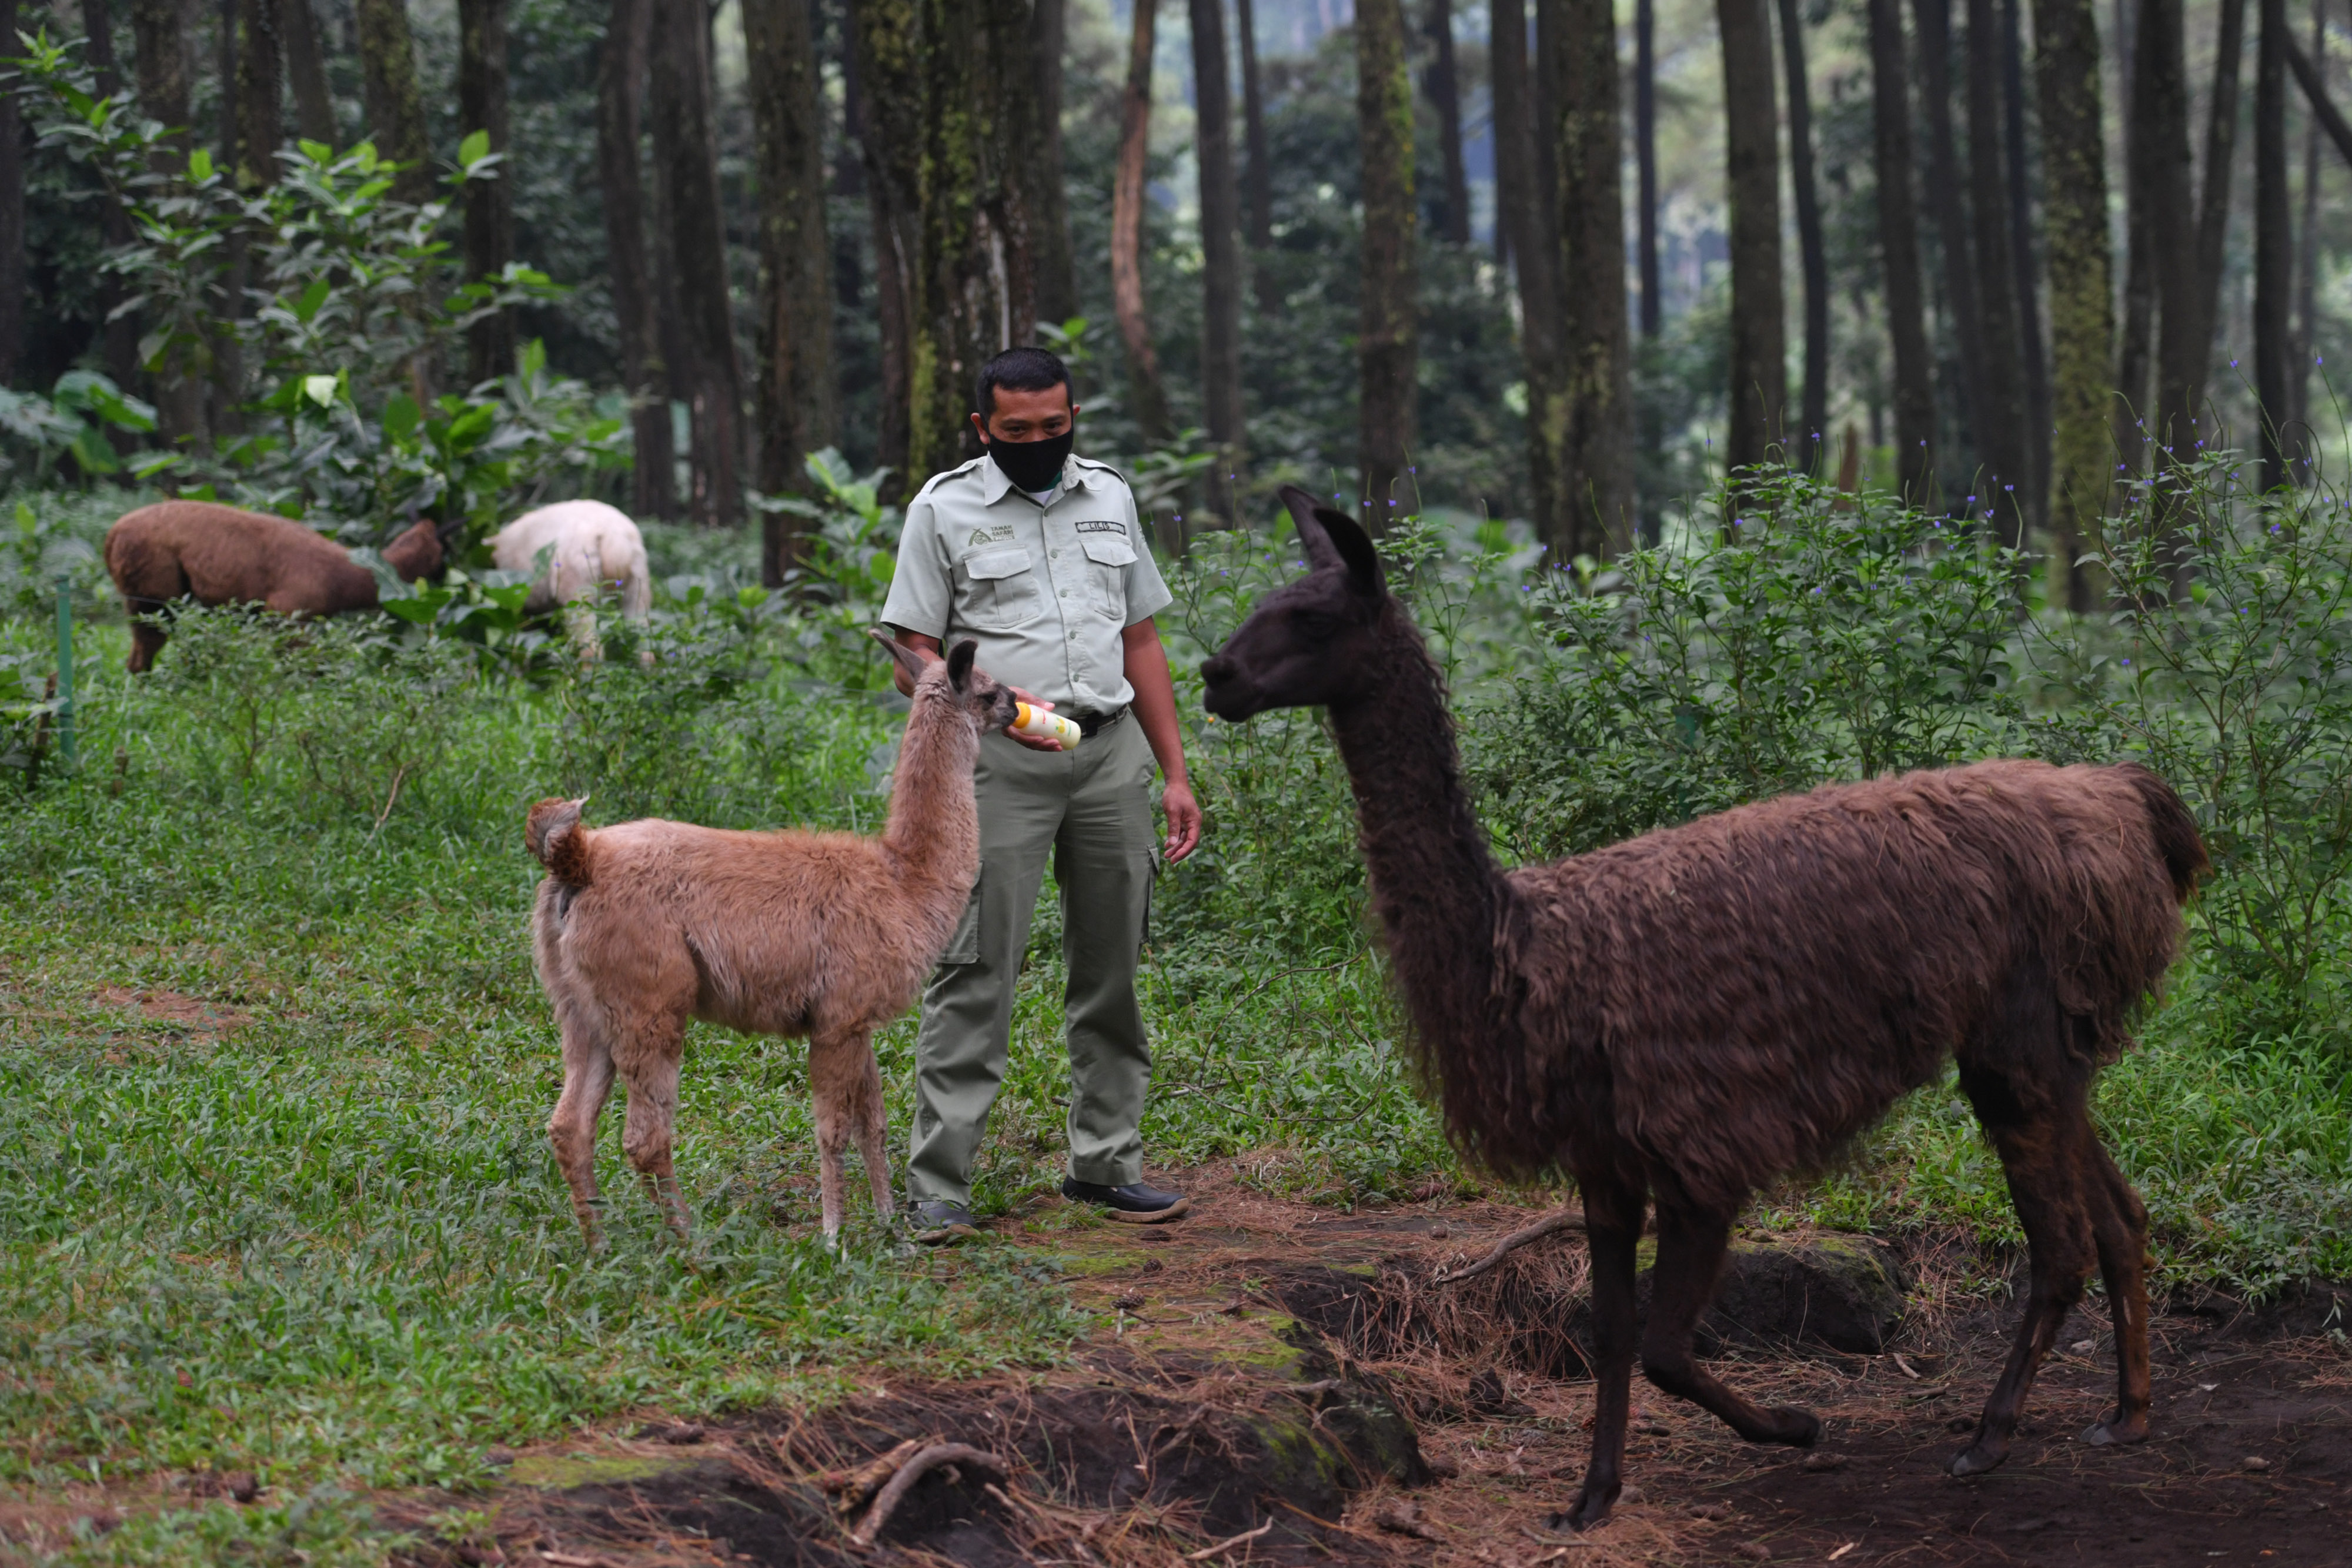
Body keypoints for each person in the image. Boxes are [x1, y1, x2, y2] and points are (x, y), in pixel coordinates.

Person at [880, 346, 1203, 1242]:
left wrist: (1173, 772)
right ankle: (939, 1187)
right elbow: (913, 654)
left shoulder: (1110, 496)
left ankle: (1106, 1165)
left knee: (1113, 974)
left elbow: (1139, 641)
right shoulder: (943, 508)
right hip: (995, 768)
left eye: (1054, 427)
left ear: (1073, 418)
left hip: (1110, 760)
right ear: (983, 428)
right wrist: (999, 711)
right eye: (1017, 431)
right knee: (976, 971)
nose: (1039, 443)